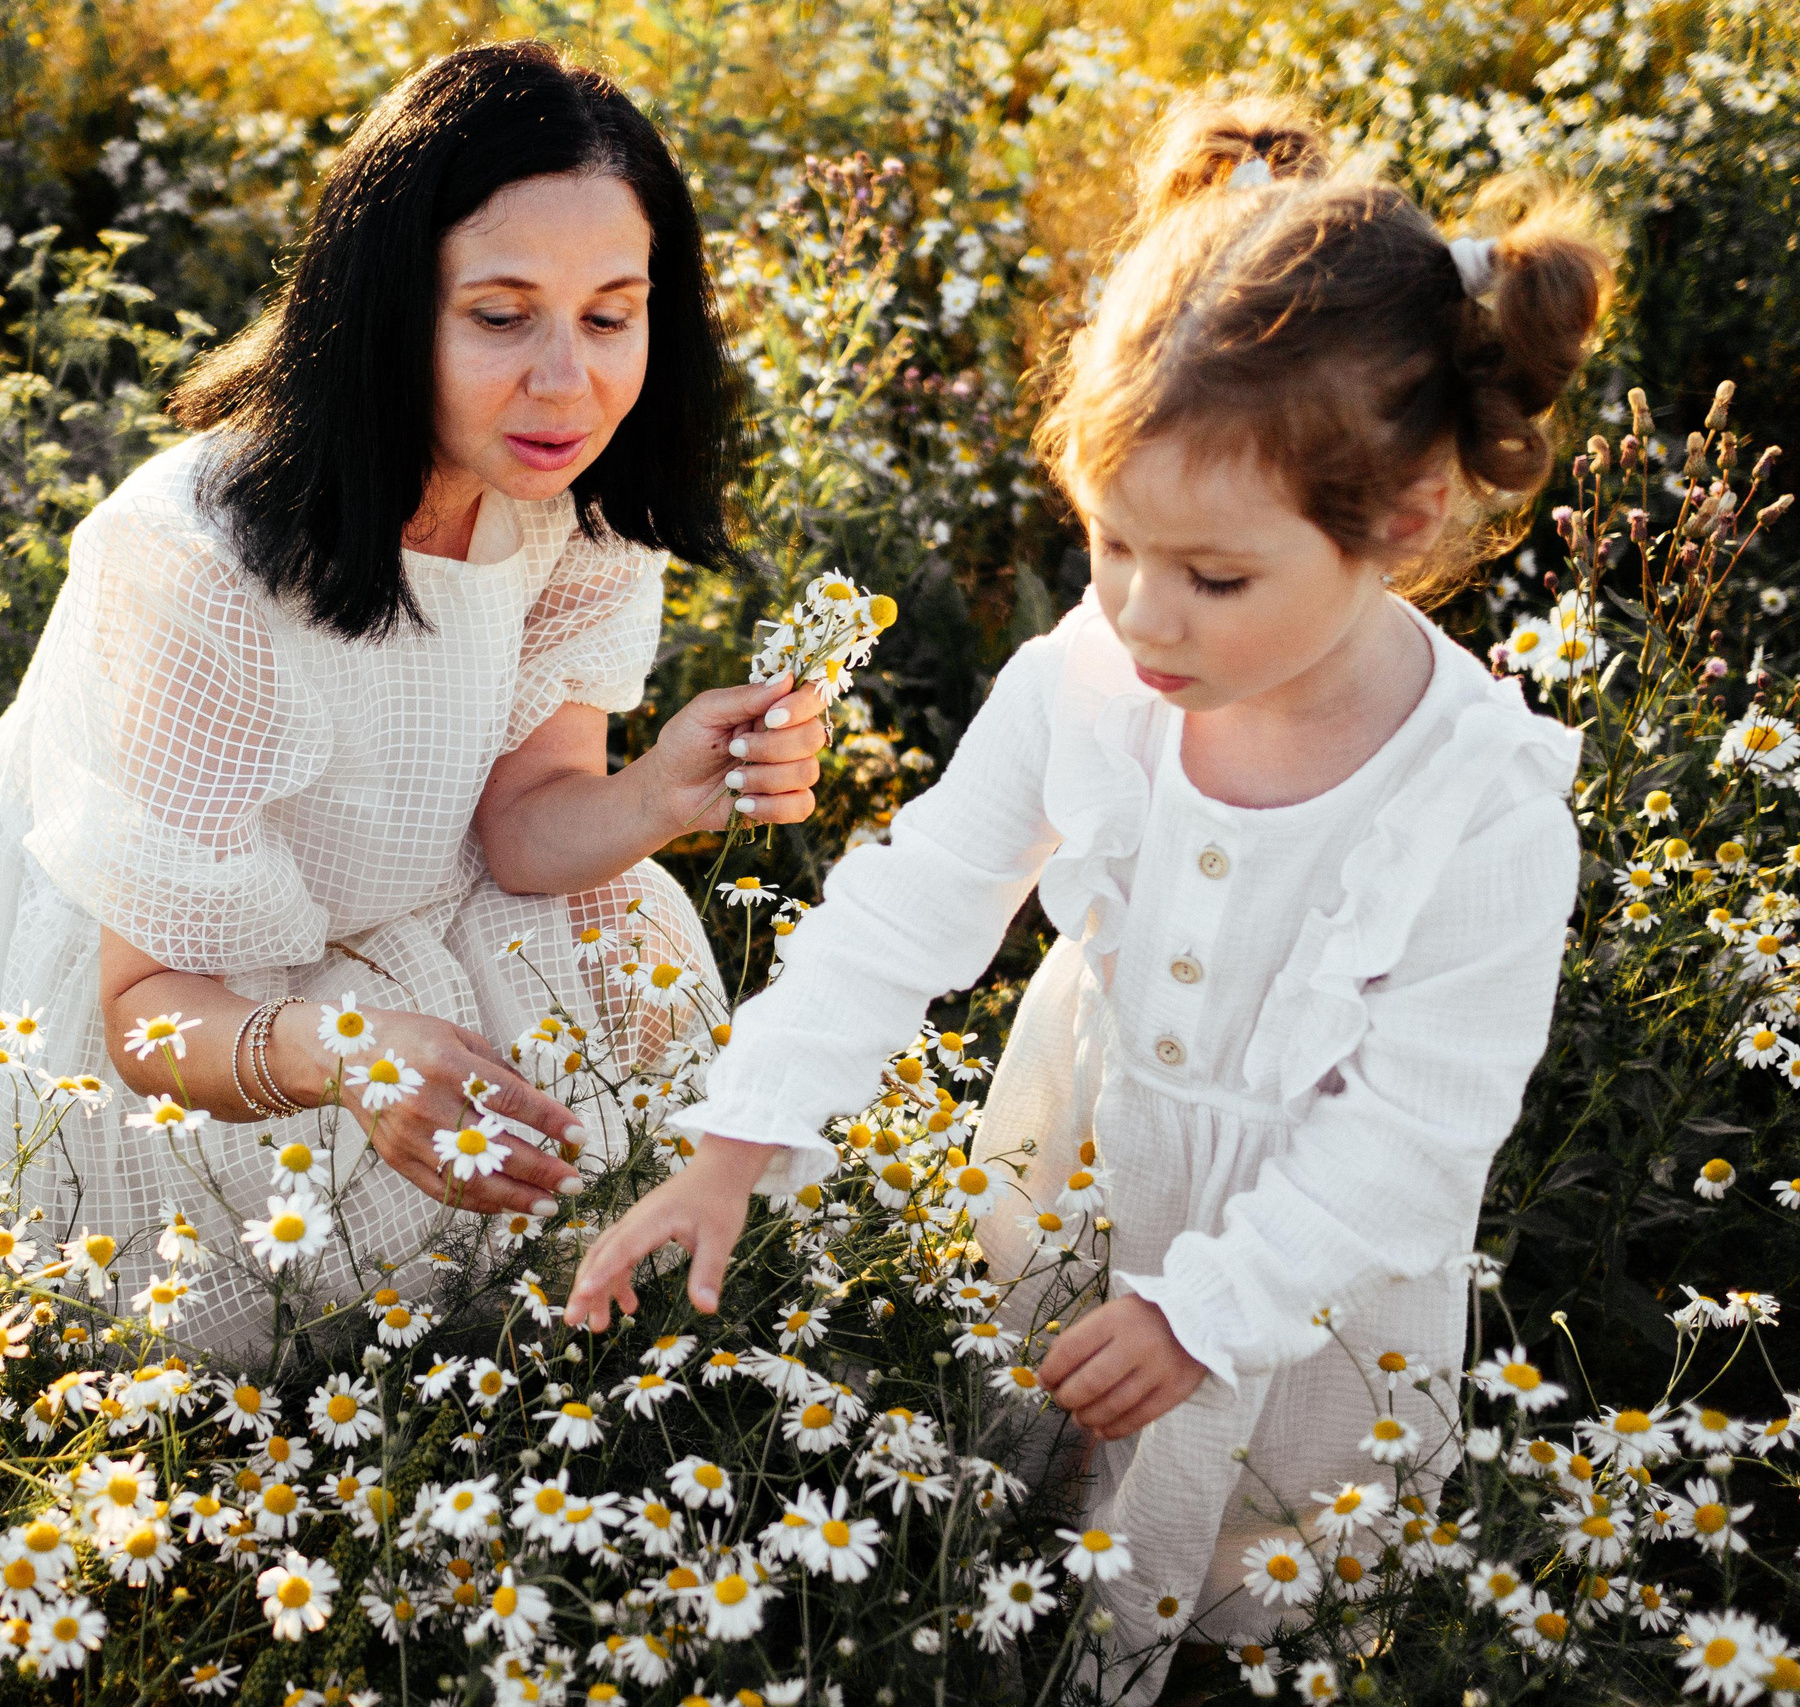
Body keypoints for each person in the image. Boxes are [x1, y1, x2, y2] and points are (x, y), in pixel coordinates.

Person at [564, 92, 1617, 1702]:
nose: (1139, 612)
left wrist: (1212, 1314)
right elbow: (918, 898)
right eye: (1108, 542)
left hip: (1311, 1271)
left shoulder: (1476, 801)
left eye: (1212, 576)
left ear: (1399, 529)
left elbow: (1419, 1130)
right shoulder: (1093, 678)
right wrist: (736, 1144)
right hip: (1089, 1159)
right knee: (1028, 1526)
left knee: (1251, 1605)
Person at [0, 40, 830, 1360]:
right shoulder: (200, 559)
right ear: (390, 306)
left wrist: (660, 794)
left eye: (610, 315)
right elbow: (144, 1010)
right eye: (501, 316)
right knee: (304, 1293)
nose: (567, 383)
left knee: (614, 915)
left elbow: (523, 825)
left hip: (406, 892)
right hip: (198, 984)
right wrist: (352, 1053)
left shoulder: (571, 499)